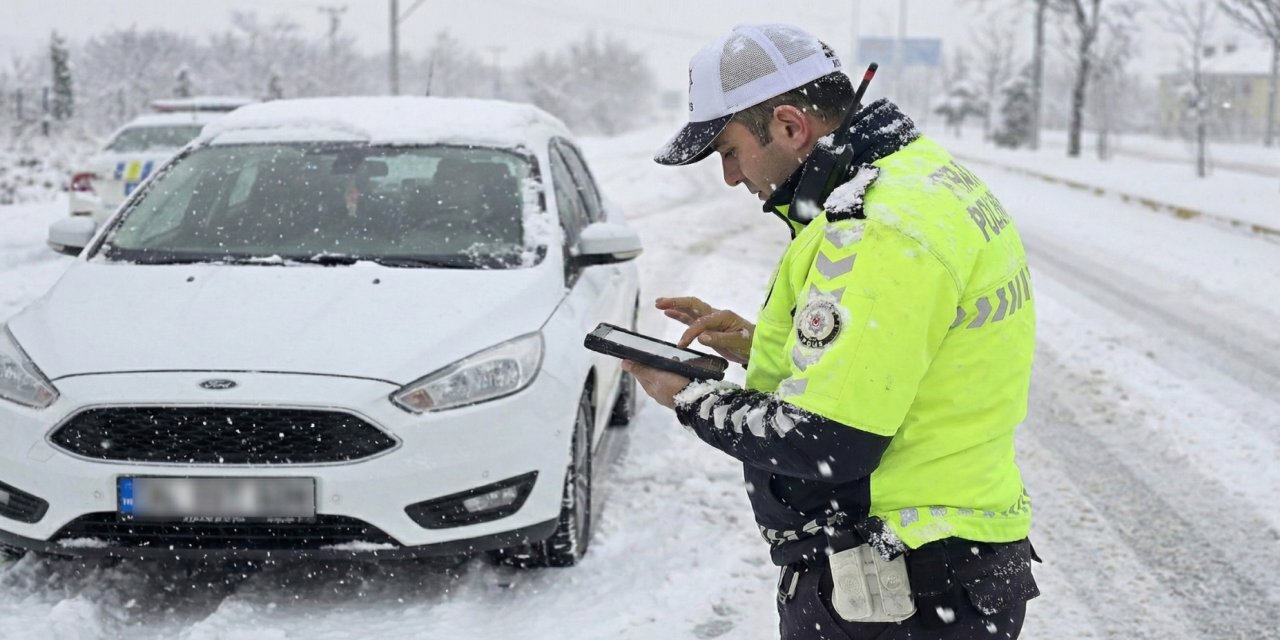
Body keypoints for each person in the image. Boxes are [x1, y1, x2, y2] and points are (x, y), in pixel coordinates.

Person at [623, 24, 1040, 639]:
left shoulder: (877, 228)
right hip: (954, 567)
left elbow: (827, 444)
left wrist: (685, 394)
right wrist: (760, 347)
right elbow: (905, 354)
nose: (731, 178)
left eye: (729, 151)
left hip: (902, 589)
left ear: (791, 127)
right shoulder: (923, 177)